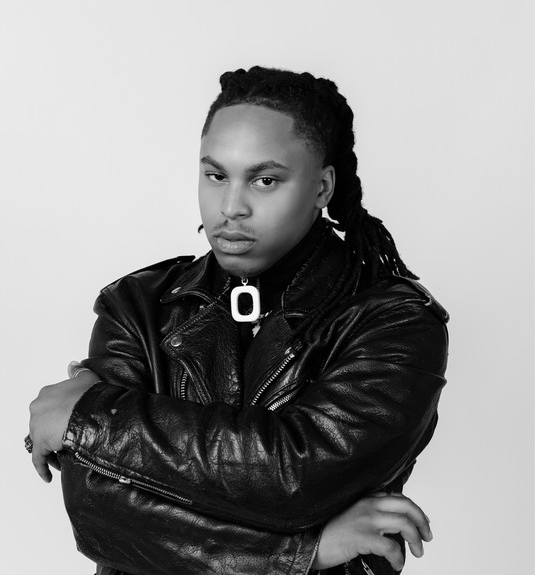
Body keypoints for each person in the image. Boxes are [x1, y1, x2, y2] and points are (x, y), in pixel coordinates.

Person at [28, 67, 448, 575]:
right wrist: (304, 552)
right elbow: (96, 506)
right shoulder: (138, 305)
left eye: (265, 180)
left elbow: (298, 478)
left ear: (322, 187)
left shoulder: (395, 321)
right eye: (216, 175)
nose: (230, 207)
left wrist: (92, 417)